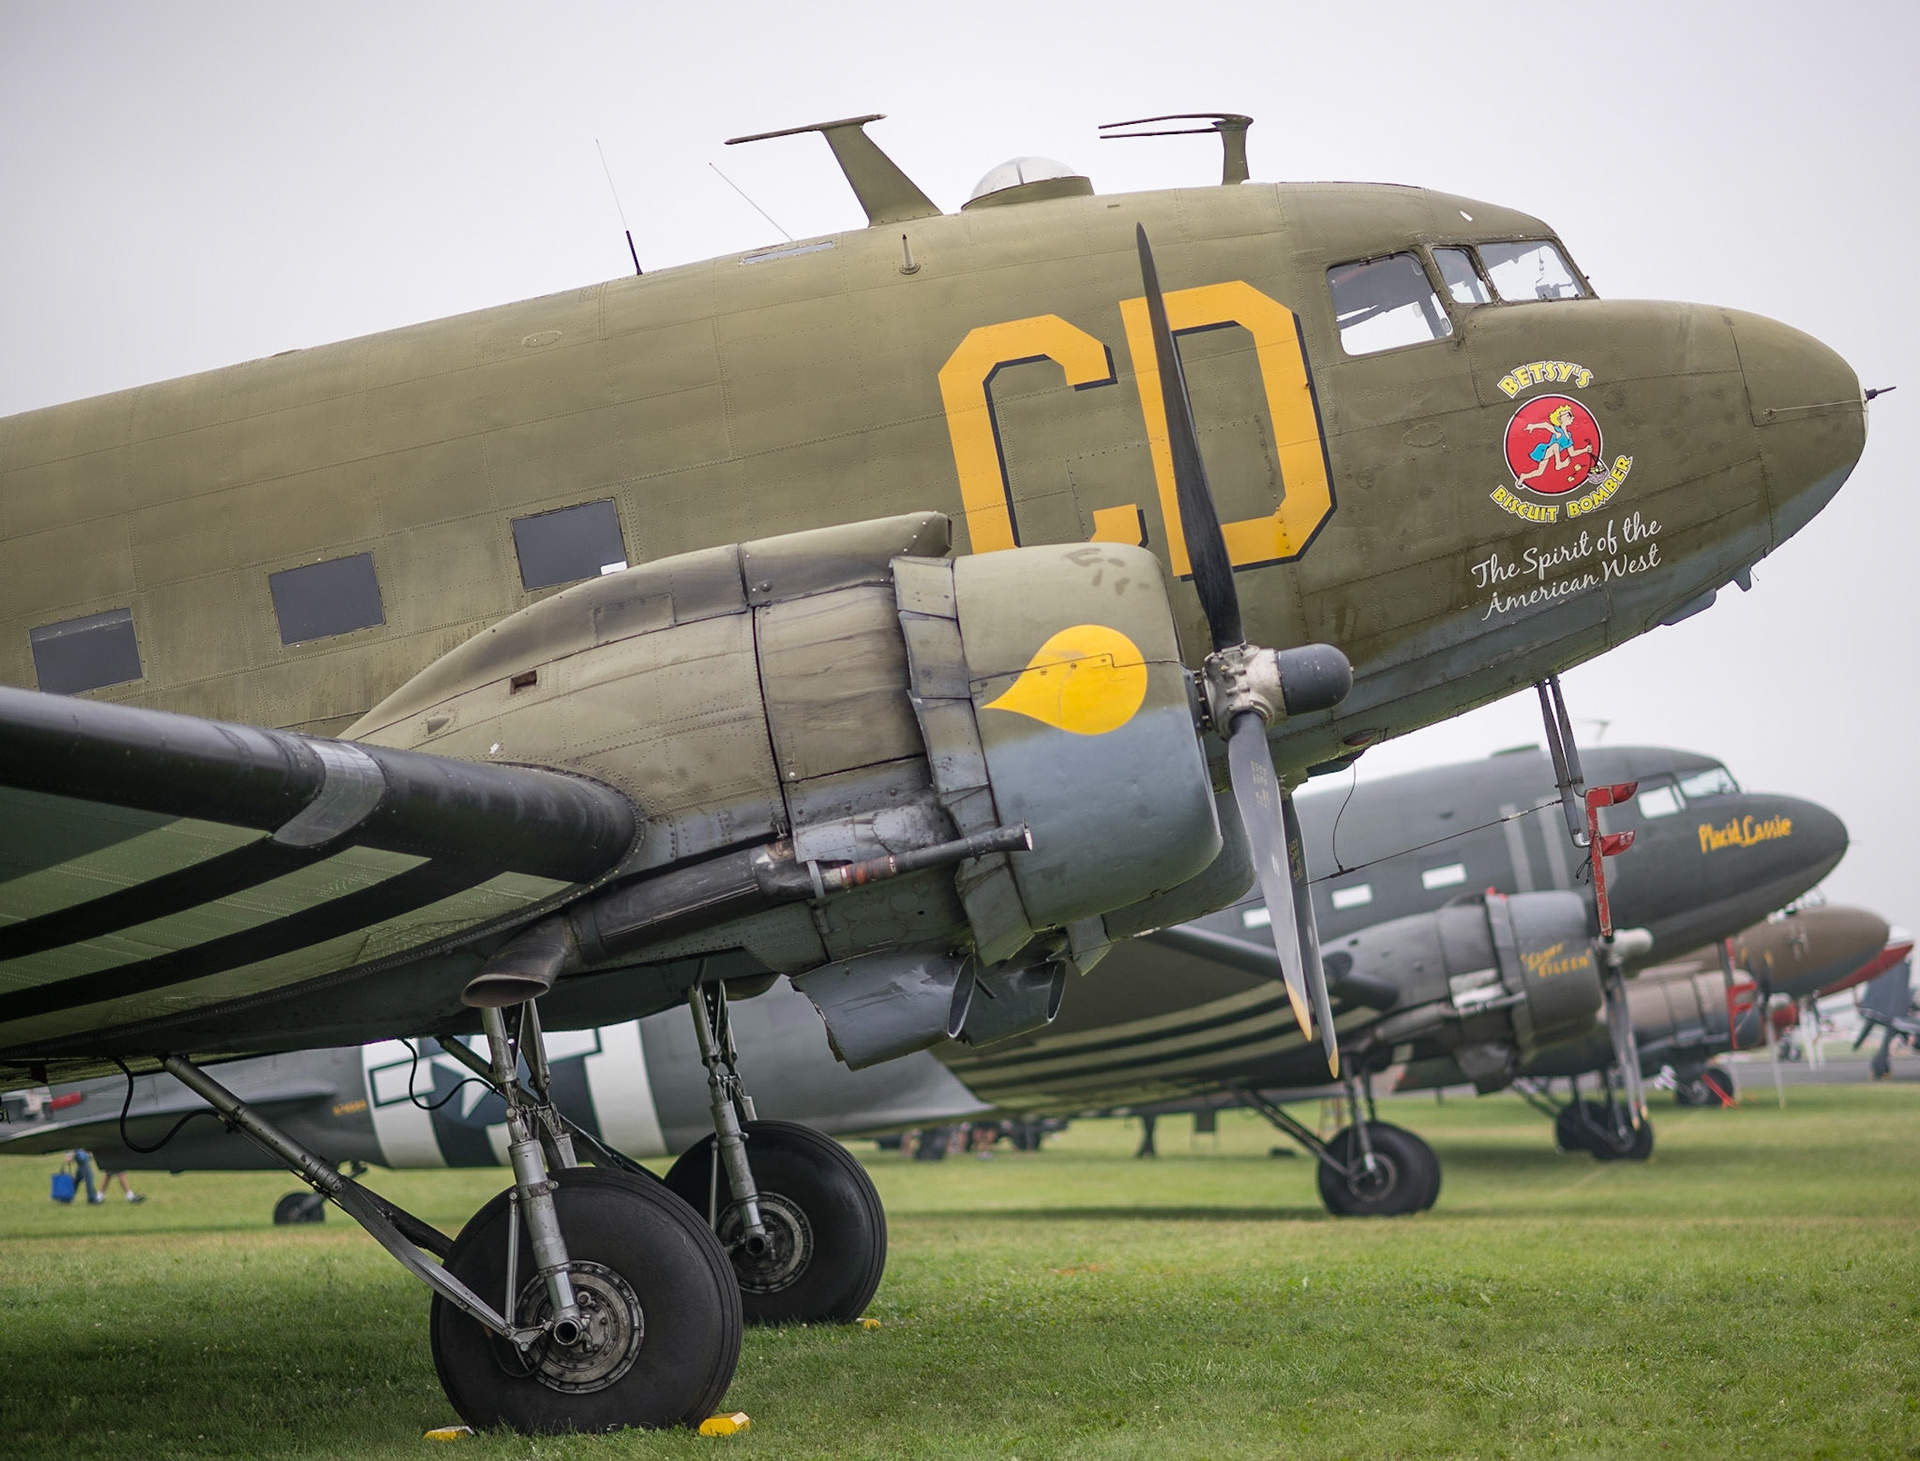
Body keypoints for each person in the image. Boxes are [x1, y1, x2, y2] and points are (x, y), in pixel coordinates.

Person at [67, 1149, 144, 1204]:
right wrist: (69, 1154)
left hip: (88, 1154)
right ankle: (92, 1199)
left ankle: (99, 1196)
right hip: (81, 1155)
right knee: (89, 1177)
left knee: (108, 1173)